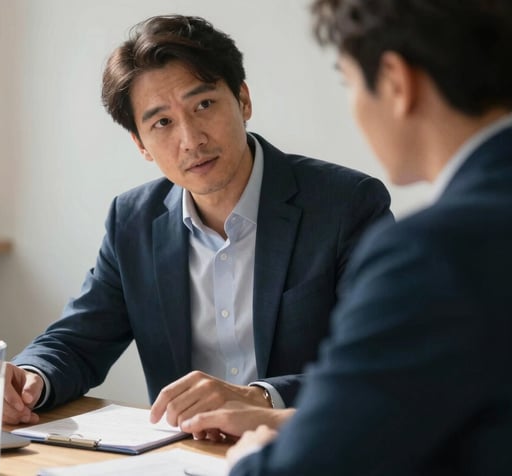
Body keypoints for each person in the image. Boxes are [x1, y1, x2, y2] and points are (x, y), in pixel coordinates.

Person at [2, 14, 392, 434]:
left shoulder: (345, 205)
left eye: (203, 105)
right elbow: (79, 341)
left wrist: (259, 398)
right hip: (184, 456)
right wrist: (29, 379)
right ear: (141, 144)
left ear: (243, 100)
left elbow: (383, 360)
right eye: (162, 123)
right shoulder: (132, 221)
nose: (191, 139)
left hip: (309, 449)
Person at [181, 1, 512, 474]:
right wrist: (297, 422)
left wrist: (257, 459)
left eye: (349, 81)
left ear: (397, 83)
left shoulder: (433, 251)